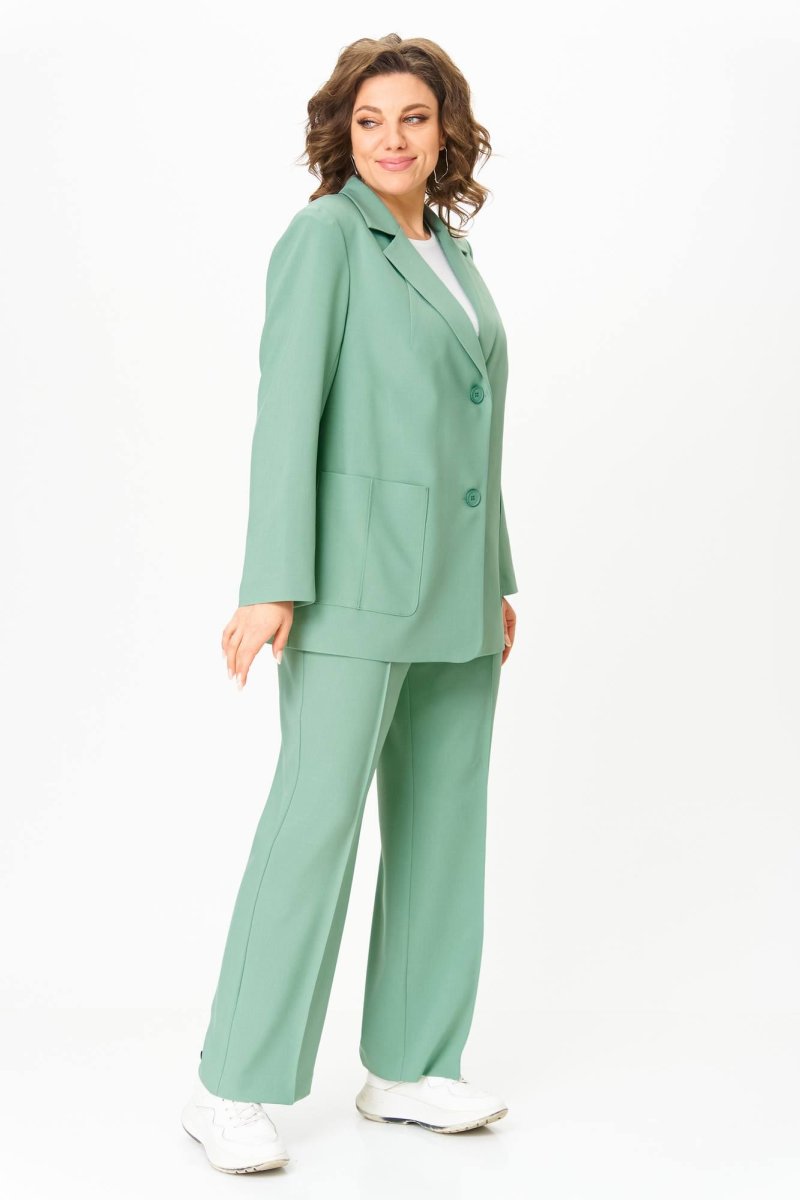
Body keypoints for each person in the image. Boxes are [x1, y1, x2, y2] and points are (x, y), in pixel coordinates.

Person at [181, 32, 519, 1174]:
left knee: (443, 823)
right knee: (314, 822)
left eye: (413, 118)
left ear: (445, 130)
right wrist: (271, 582)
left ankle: (410, 1066)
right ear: (343, 132)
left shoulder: (451, 251)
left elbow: (473, 426)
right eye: (370, 120)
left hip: (455, 591)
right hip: (354, 585)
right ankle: (231, 1083)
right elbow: (287, 413)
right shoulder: (326, 238)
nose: (391, 139)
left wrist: (497, 576)